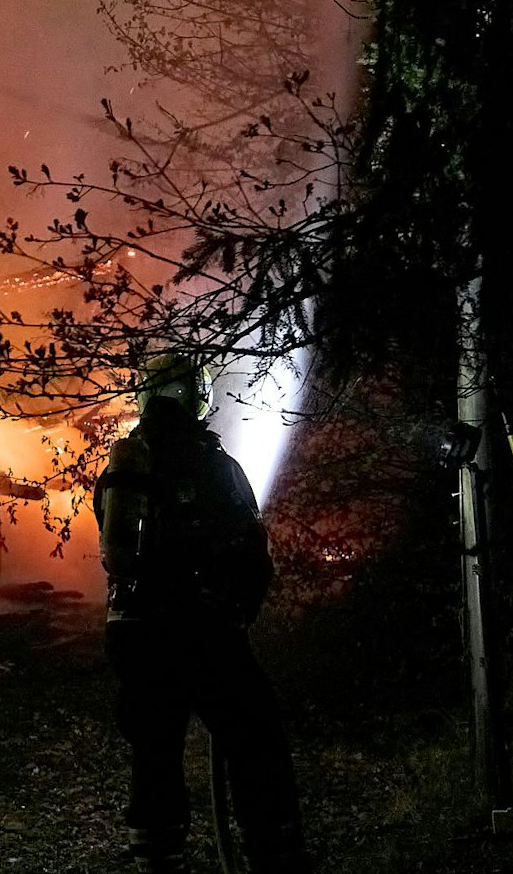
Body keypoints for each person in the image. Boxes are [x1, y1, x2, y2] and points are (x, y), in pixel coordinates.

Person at [93, 353, 308, 874]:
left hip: (137, 632)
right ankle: (269, 853)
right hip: (207, 630)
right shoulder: (217, 467)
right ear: (198, 396)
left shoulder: (127, 460)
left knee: (155, 753)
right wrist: (236, 612)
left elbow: (113, 546)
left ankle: (159, 857)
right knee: (255, 740)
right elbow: (254, 550)